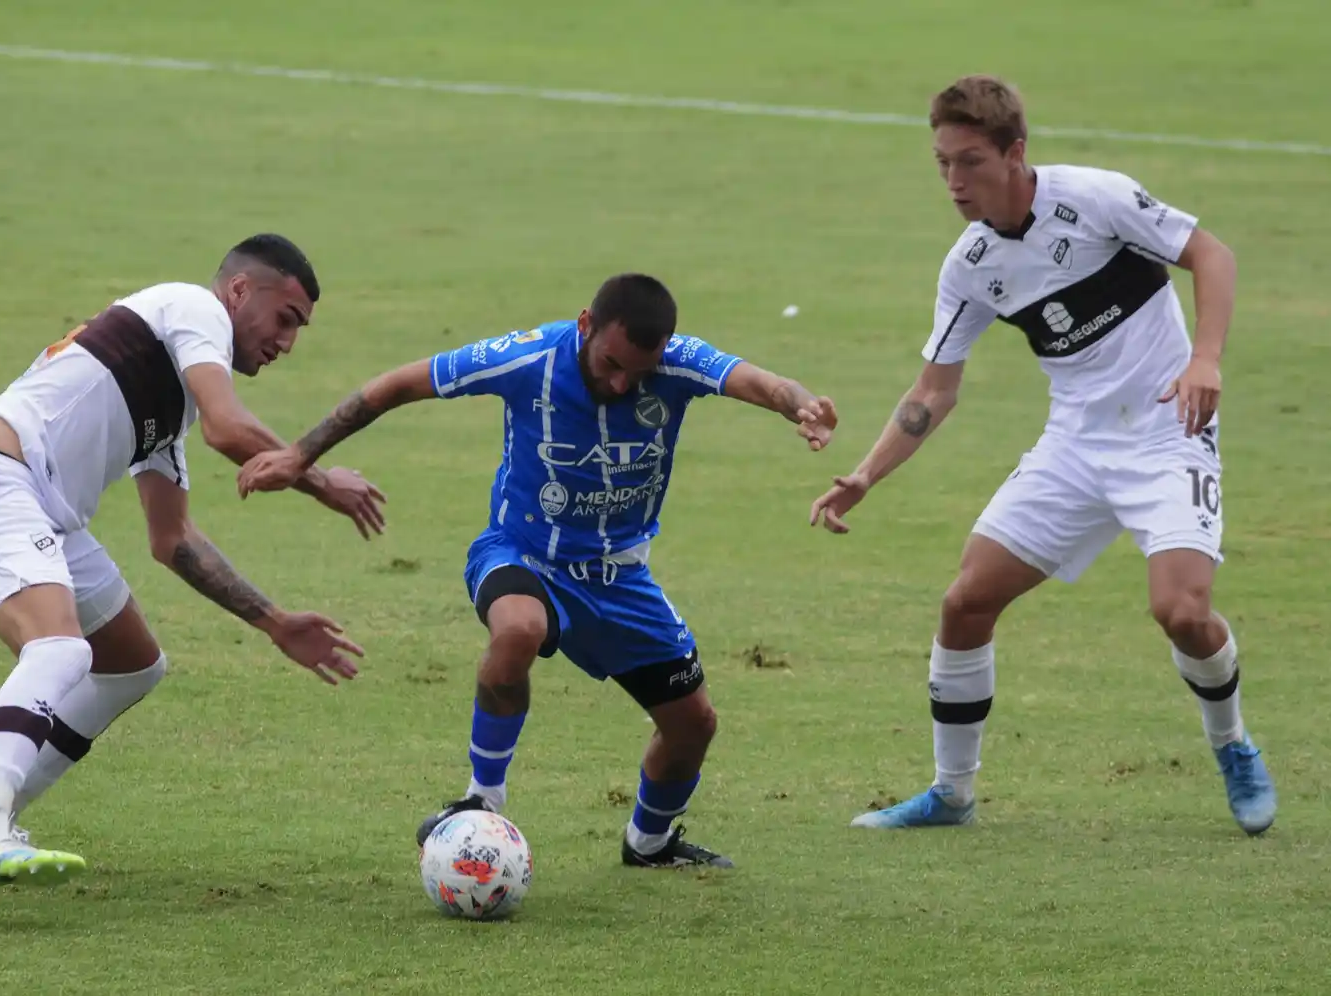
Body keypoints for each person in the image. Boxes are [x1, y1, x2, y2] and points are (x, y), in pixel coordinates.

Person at [238, 274, 837, 868]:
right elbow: (396, 385)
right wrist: (300, 455)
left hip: (620, 577)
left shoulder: (677, 364)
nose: (623, 381)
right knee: (518, 629)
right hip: (522, 553)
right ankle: (481, 801)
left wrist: (801, 406)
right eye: (610, 363)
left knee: (693, 725)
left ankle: (649, 843)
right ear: (585, 325)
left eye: (640, 371)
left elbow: (763, 382)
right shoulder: (528, 358)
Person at [809, 75, 1275, 834]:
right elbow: (934, 390)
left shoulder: (1096, 199)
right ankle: (953, 793)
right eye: (942, 165)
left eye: (969, 162)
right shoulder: (971, 265)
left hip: (1167, 433)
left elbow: (1212, 254)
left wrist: (1206, 358)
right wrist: (866, 472)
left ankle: (1233, 745)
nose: (955, 183)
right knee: (965, 602)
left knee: (1182, 612)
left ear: (1015, 152)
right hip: (1075, 448)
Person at [0, 234, 385, 898]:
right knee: (59, 649)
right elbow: (231, 429)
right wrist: (316, 473)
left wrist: (275, 622)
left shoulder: (173, 402)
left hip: (43, 510)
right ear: (240, 291)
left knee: (130, 663)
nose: (287, 343)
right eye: (286, 319)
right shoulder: (190, 307)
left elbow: (174, 540)